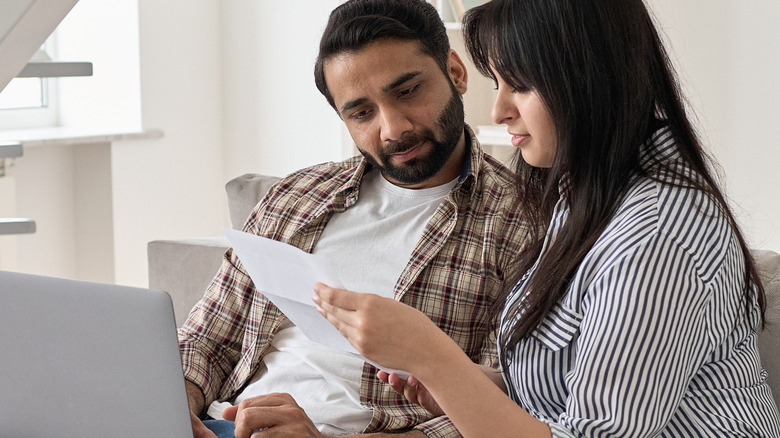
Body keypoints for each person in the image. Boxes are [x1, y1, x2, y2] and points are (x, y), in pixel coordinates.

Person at [314, 0, 780, 436]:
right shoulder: (583, 198)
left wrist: (432, 356)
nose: (499, 111)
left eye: (519, 85)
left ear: (588, 77)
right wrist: (466, 387)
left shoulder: (656, 234)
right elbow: (562, 391)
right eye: (498, 84)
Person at [177, 0, 528, 437]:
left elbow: (507, 405)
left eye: (407, 91)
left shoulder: (524, 222)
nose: (393, 129)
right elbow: (205, 341)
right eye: (362, 113)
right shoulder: (295, 198)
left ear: (455, 72)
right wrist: (172, 408)